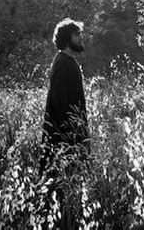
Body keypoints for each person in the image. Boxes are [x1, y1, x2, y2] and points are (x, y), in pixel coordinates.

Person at [40, 18, 90, 174]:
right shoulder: (63, 64)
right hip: (64, 140)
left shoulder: (66, 61)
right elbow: (61, 105)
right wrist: (70, 141)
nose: (81, 37)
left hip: (69, 139)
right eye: (77, 34)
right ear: (67, 39)